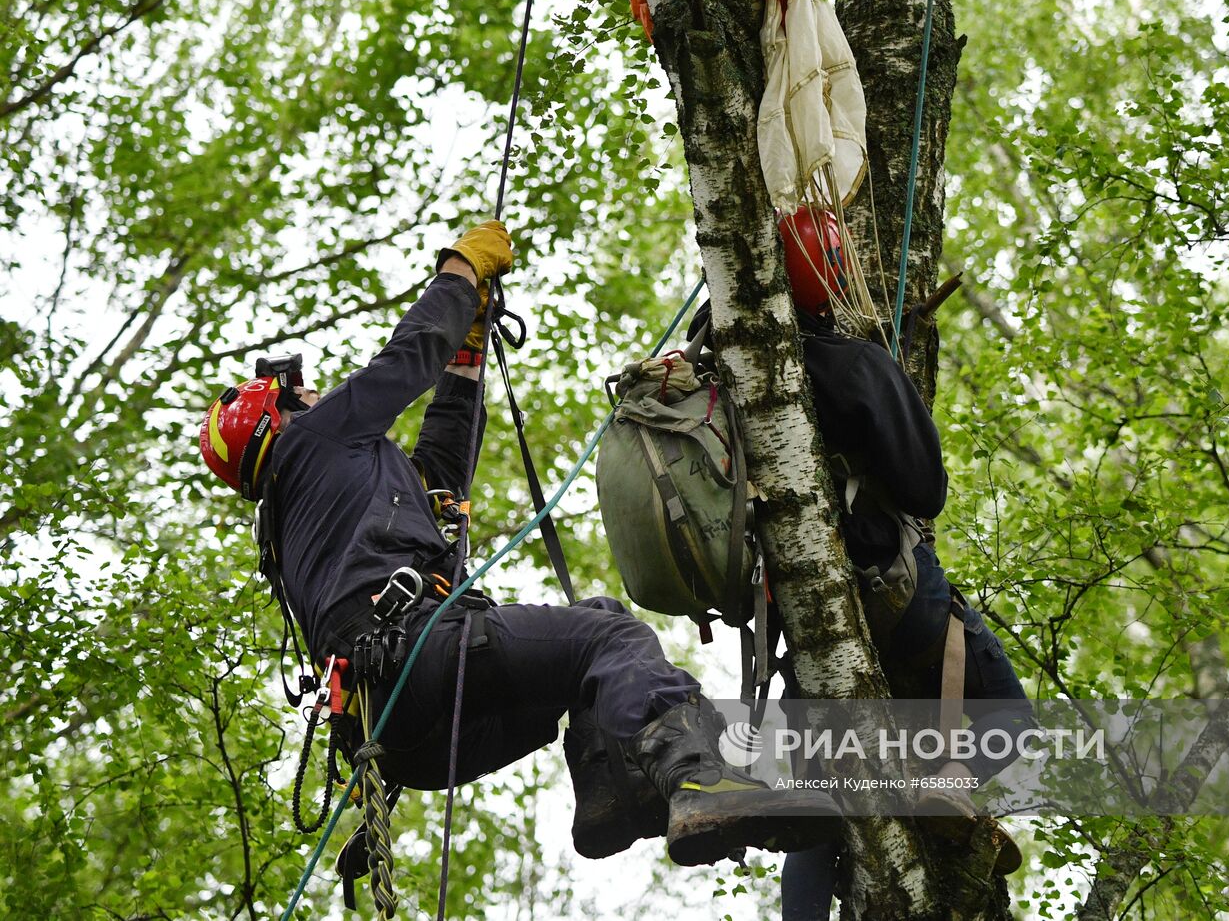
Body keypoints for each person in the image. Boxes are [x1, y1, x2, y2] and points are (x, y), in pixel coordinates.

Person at [198, 220, 841, 870]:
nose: (316, 393)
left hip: (411, 736)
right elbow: (412, 353)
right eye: (301, 395)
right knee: (614, 645)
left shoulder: (315, 509)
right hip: (417, 657)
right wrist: (459, 270)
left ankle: (612, 796)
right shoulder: (312, 442)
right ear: (274, 421)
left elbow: (441, 473)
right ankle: (702, 778)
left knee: (599, 625)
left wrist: (469, 350)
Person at [686, 210, 1033, 918]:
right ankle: (943, 777)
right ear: (826, 276)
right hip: (890, 593)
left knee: (817, 808)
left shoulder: (705, 378)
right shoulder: (849, 363)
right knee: (1019, 729)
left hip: (787, 620)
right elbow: (924, 490)